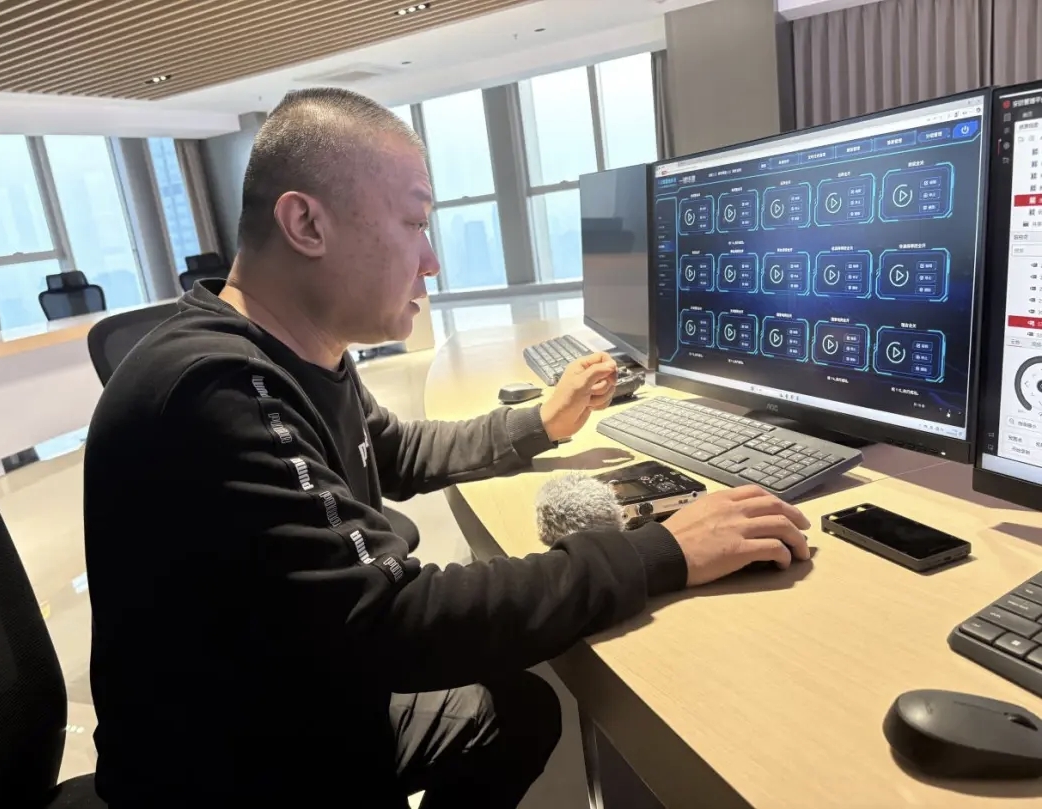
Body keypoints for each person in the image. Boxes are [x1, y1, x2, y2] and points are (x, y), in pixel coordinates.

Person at [83, 88, 811, 809]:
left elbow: (392, 451)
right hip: (244, 773)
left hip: (302, 705)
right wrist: (661, 552)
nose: (431, 260)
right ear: (306, 223)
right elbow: (393, 620)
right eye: (414, 222)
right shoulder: (219, 391)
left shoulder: (293, 352)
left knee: (520, 711)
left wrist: (540, 422)